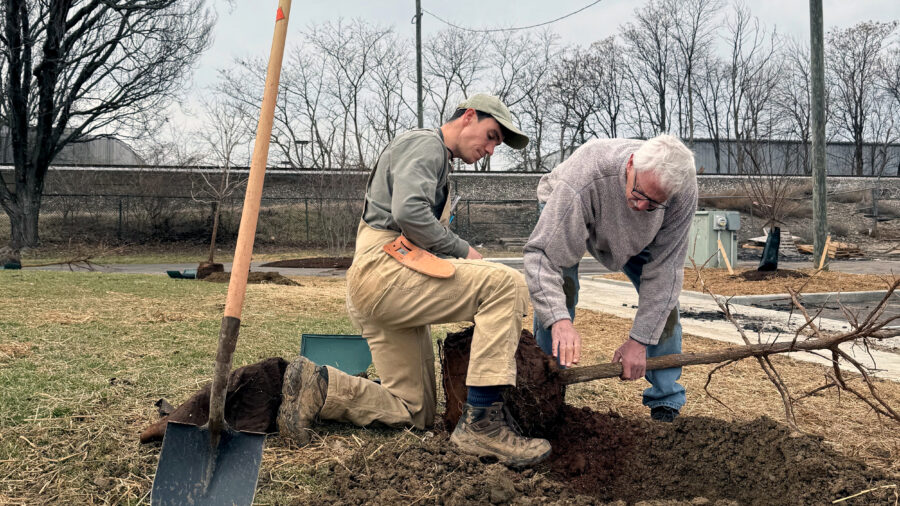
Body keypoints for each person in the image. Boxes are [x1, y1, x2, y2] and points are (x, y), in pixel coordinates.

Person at [277, 94, 551, 467]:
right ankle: (483, 423)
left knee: (415, 411)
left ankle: (321, 386)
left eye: (496, 145)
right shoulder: (428, 144)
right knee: (503, 283)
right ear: (468, 116)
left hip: (381, 282)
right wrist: (463, 250)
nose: (489, 149)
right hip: (385, 271)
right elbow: (410, 212)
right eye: (490, 136)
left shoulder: (433, 155)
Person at [523, 135, 697, 422]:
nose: (642, 207)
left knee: (665, 308)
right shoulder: (587, 173)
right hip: (573, 207)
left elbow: (666, 272)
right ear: (630, 165)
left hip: (642, 238)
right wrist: (559, 320)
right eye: (639, 194)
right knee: (559, 297)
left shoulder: (681, 191)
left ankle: (666, 403)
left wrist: (639, 342)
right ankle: (546, 389)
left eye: (654, 203)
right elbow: (543, 258)